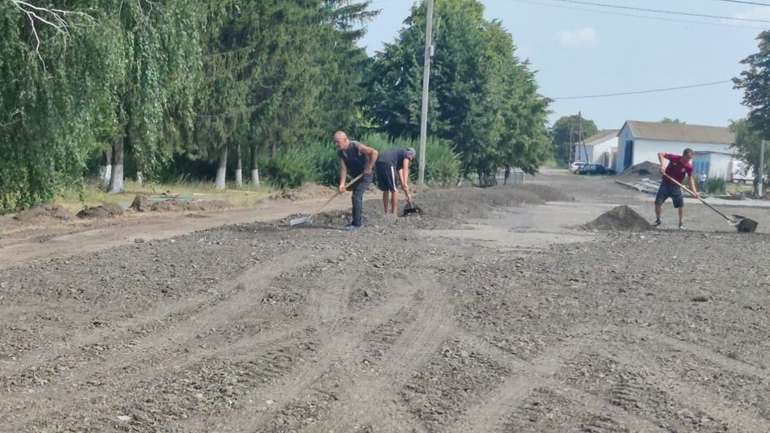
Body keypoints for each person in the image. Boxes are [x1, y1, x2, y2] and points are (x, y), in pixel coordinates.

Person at [334, 131, 378, 230]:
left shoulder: (356, 146)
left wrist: (369, 167)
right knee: (354, 195)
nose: (336, 144)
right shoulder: (341, 152)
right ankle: (355, 222)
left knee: (357, 195)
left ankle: (357, 224)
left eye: (338, 142)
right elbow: (343, 169)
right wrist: (342, 184)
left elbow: (374, 152)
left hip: (367, 174)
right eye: (335, 142)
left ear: (345, 140)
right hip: (357, 176)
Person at [654, 149, 699, 229]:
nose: (688, 160)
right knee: (658, 202)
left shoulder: (689, 166)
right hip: (665, 184)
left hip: (676, 187)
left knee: (681, 206)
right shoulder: (675, 158)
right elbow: (660, 154)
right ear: (683, 155)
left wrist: (694, 192)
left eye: (690, 158)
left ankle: (681, 223)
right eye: (687, 158)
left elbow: (690, 179)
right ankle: (658, 220)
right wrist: (662, 165)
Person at [375, 147, 416, 214]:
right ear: (411, 155)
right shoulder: (406, 154)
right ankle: (394, 214)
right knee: (394, 190)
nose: (410, 160)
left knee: (386, 189)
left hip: (379, 163)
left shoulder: (398, 155)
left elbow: (400, 175)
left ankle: (386, 213)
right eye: (412, 159)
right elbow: (405, 170)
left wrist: (406, 190)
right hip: (388, 163)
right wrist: (405, 183)